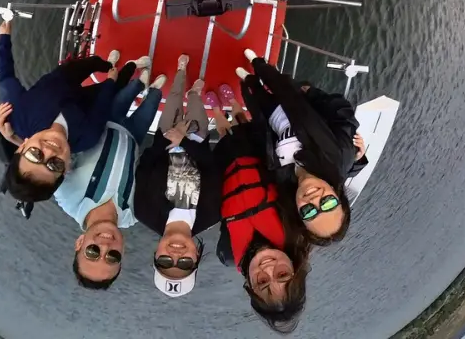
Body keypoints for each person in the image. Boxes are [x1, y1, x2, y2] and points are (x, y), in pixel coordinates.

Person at [0, 17, 145, 205]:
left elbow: (5, 76)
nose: (49, 151)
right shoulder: (86, 138)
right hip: (86, 101)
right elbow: (102, 107)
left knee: (92, 63)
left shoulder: (18, 115)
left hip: (64, 76)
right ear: (65, 169)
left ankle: (106, 64)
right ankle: (128, 67)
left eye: (35, 154)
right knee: (116, 86)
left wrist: (4, 37)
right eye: (54, 164)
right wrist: (111, 82)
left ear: (22, 147)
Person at [55, 66, 169, 289]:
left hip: (107, 120)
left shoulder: (65, 194)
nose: (105, 246)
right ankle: (152, 87)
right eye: (113, 256)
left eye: (93, 251)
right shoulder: (137, 213)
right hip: (135, 136)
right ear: (123, 252)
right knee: (155, 98)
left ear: (79, 243)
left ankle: (139, 80)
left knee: (129, 91)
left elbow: (59, 151)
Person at [235, 50, 359, 246]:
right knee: (271, 75)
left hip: (268, 115)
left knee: (254, 90)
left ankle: (249, 79)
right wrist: (313, 94)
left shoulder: (282, 184)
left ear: (299, 214)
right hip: (294, 98)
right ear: (338, 195)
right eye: (328, 203)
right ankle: (257, 62)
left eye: (309, 212)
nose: (315, 200)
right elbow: (342, 114)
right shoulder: (340, 154)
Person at [213, 103, 309, 333]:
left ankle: (216, 106)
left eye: (262, 281)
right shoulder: (297, 229)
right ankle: (236, 101)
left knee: (223, 131)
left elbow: (223, 220)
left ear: (250, 286)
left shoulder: (228, 254)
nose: (268, 268)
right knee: (241, 119)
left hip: (226, 167)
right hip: (258, 153)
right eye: (282, 274)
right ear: (295, 271)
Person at [134, 54, 221, 298]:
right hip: (196, 139)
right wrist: (184, 140)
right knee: (194, 103)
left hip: (165, 136)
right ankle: (193, 93)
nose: (175, 256)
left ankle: (181, 70)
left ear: (155, 254)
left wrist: (167, 140)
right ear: (196, 257)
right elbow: (212, 168)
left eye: (164, 262)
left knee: (172, 98)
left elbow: (145, 166)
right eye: (184, 264)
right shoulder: (213, 213)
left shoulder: (143, 210)